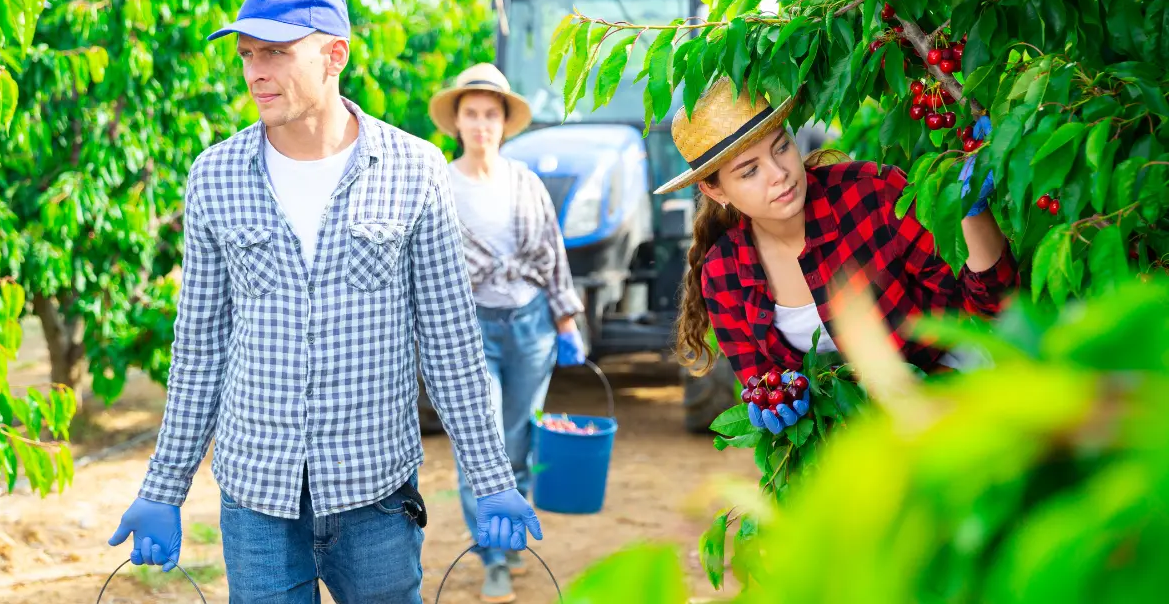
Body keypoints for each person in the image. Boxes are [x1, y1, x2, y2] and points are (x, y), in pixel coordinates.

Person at [105, 0, 542, 603]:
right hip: (257, 500)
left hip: (376, 497)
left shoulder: (413, 168)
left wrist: (490, 474)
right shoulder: (215, 176)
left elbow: (449, 340)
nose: (256, 72)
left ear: (335, 53)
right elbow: (199, 347)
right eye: (247, 54)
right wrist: (163, 488)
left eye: (276, 53)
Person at [664, 78, 1016, 434]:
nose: (780, 173)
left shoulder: (873, 194)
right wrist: (775, 402)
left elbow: (992, 307)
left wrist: (970, 210)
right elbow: (764, 385)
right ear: (714, 188)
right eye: (750, 171)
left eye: (782, 147)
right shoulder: (725, 273)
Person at [426, 63, 586, 603]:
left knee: (519, 442)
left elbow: (550, 253)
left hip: (531, 326)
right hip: (470, 329)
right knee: (482, 443)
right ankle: (491, 556)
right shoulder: (440, 185)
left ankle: (512, 535)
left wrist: (567, 320)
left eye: (489, 114)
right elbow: (426, 266)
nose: (480, 124)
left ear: (502, 121)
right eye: (470, 114)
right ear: (457, 122)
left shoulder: (526, 183)